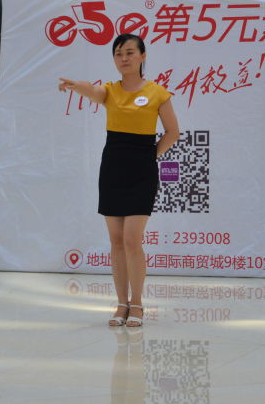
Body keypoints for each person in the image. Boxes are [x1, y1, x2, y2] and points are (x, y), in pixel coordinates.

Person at [58, 33, 179, 328]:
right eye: (118, 54)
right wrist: (76, 86)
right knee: (115, 241)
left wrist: (150, 156)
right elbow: (93, 91)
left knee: (132, 240)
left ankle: (137, 303)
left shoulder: (158, 93)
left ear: (142, 56)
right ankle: (121, 303)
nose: (124, 58)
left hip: (142, 172)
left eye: (129, 52)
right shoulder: (110, 91)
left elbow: (173, 132)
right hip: (112, 169)